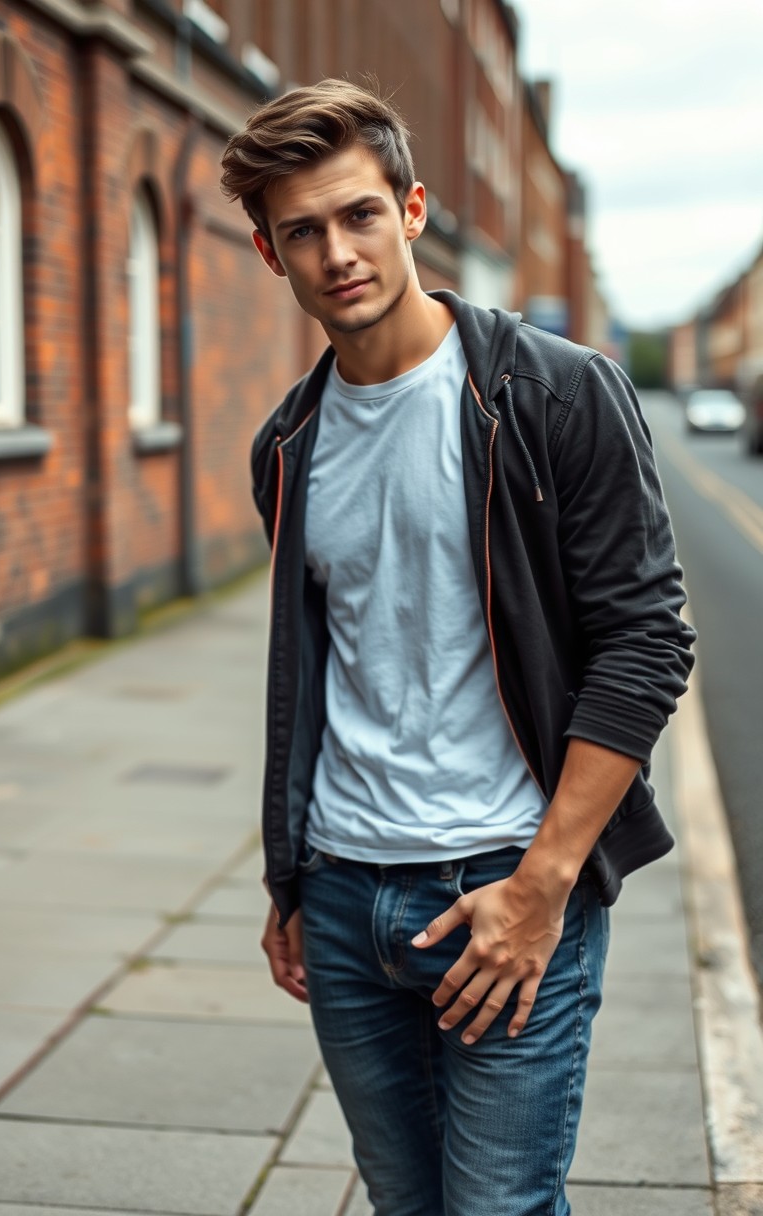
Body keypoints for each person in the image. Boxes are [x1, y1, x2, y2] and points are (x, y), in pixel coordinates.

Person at [220, 78, 695, 1216]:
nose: (337, 251)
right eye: (303, 231)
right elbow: (328, 671)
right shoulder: (285, 444)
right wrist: (293, 879)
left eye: (359, 214)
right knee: (404, 1203)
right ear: (268, 252)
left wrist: (543, 885)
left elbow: (644, 642)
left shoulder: (555, 394)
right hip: (343, 897)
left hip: (504, 884)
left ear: (413, 209)